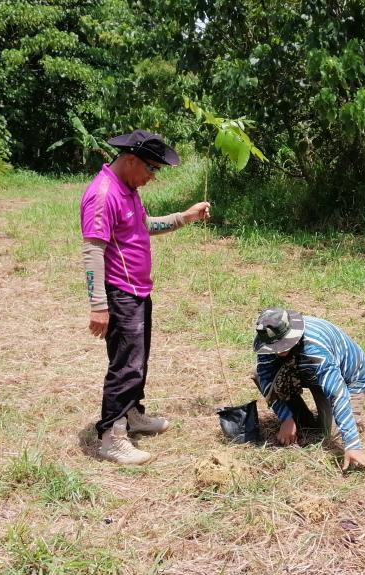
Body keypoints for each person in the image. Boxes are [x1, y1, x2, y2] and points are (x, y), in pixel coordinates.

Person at [81, 129, 210, 465]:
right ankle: (112, 435)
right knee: (126, 366)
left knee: (138, 360)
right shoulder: (103, 194)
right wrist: (98, 306)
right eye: (152, 168)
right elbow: (93, 250)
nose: (153, 177)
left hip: (138, 290)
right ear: (131, 159)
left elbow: (143, 226)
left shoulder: (129, 189)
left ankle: (133, 414)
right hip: (120, 293)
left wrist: (186, 217)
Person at [252, 308, 365, 471]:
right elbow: (266, 378)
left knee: (333, 433)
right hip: (305, 370)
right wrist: (286, 418)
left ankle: (351, 420)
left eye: (283, 345)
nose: (279, 351)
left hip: (349, 380)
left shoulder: (316, 350)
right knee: (258, 374)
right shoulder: (268, 344)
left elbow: (337, 394)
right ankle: (299, 418)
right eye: (275, 347)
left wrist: (352, 445)